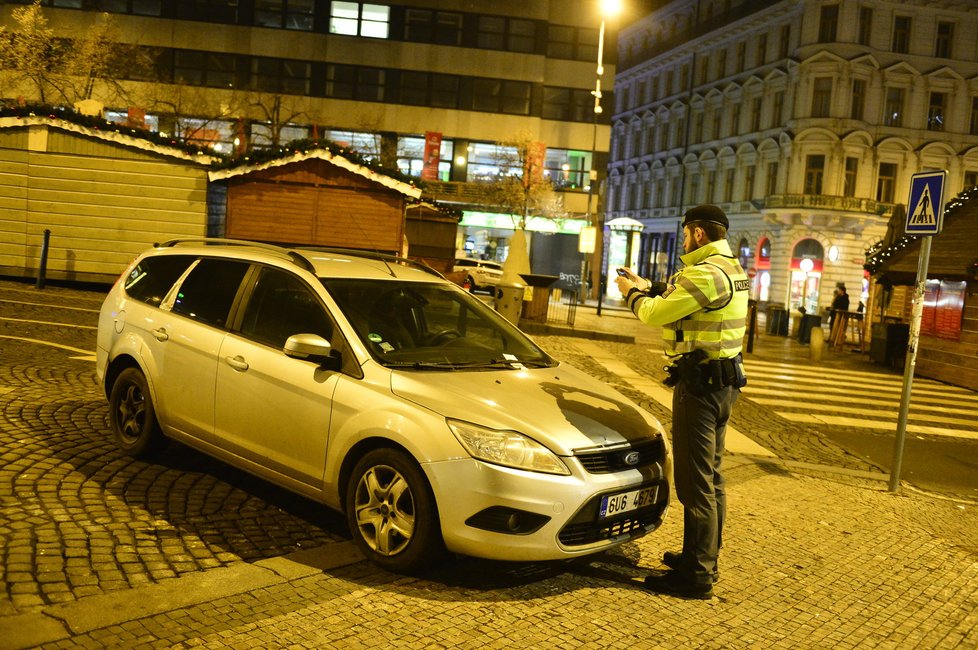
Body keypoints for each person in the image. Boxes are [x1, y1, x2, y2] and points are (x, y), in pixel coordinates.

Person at [615, 204, 749, 600]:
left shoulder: (706, 273)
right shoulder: (732, 269)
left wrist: (632, 294)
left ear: (699, 234)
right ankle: (704, 554)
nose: (684, 239)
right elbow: (685, 299)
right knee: (714, 476)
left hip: (701, 387)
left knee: (694, 483)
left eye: (687, 232)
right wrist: (649, 283)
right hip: (725, 382)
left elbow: (656, 314)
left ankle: (696, 574)